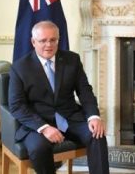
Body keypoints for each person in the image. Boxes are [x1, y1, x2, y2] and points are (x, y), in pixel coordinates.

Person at [8, 21, 110, 174]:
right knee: (38, 148)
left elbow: (85, 91)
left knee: (97, 135)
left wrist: (93, 116)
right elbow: (16, 106)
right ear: (33, 42)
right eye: (43, 40)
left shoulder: (72, 60)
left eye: (53, 40)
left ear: (58, 40)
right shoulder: (20, 67)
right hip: (38, 123)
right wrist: (44, 128)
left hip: (70, 117)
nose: (48, 45)